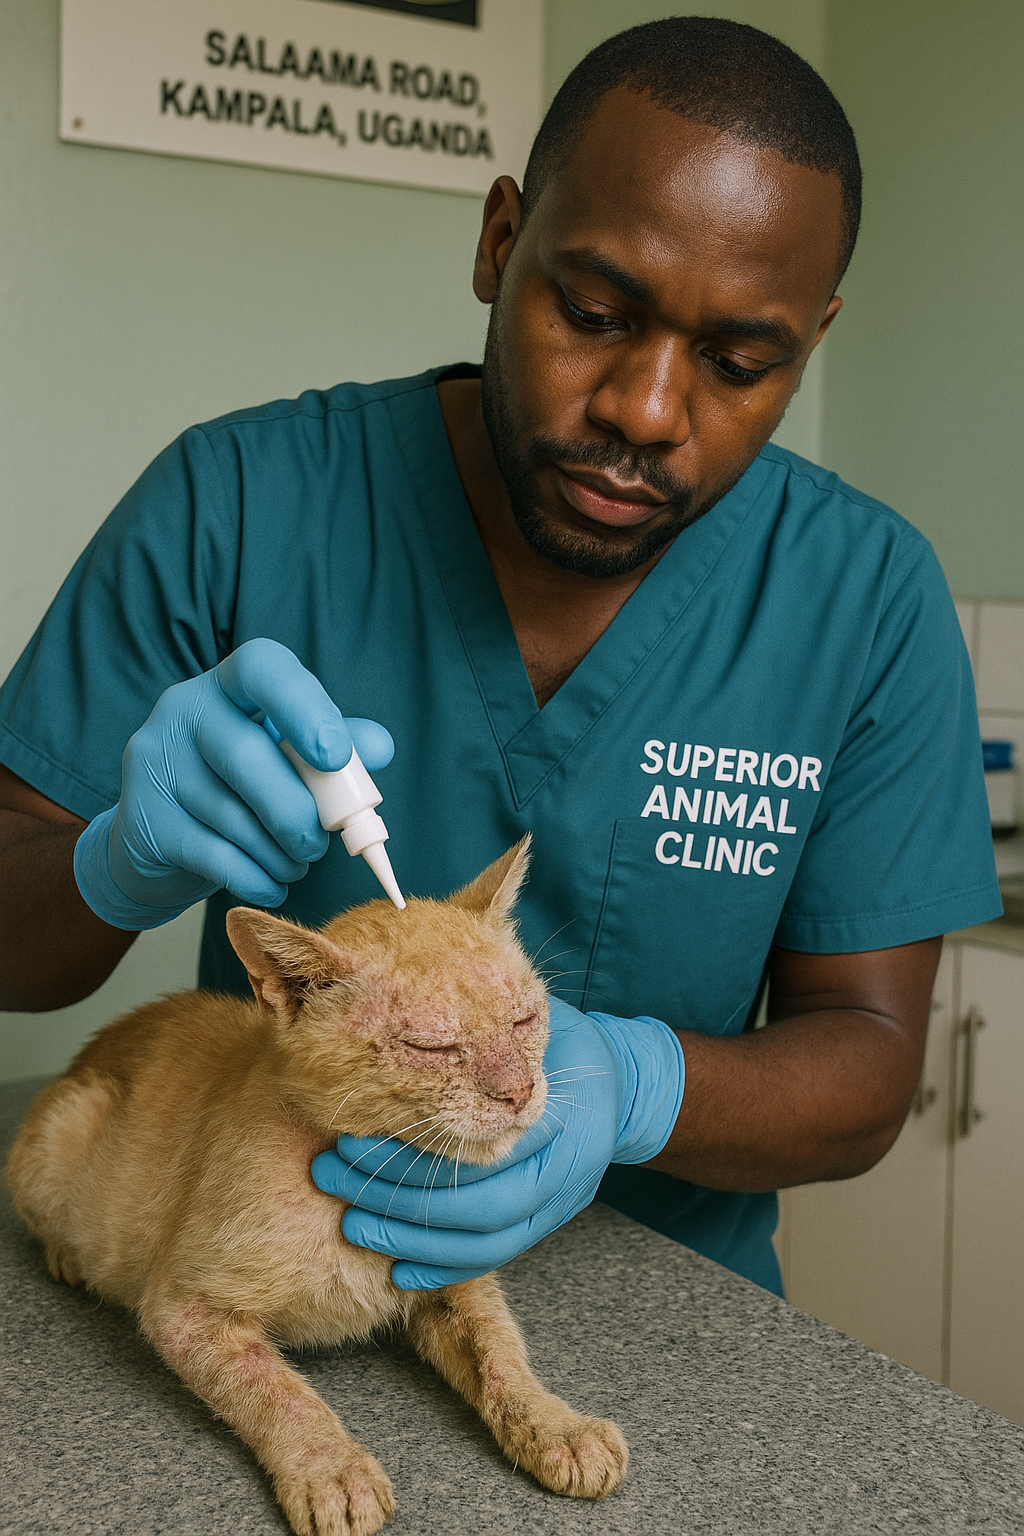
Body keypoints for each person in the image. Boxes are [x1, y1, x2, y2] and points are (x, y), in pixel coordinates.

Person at [0, 18, 1000, 1296]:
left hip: (682, 1320)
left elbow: (865, 1064)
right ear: (498, 241)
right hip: (292, 1282)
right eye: (592, 312)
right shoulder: (236, 506)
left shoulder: (865, 597)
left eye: (740, 363)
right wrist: (115, 863)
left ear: (811, 341)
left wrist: (637, 1087)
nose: (645, 409)